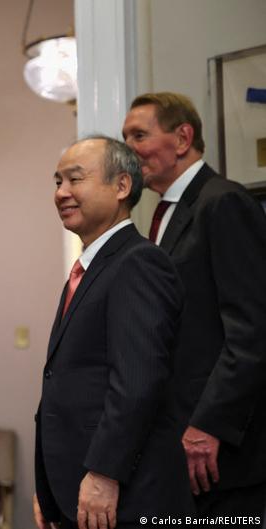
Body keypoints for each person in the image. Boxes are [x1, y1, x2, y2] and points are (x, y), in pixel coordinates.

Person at [33, 136, 192, 529]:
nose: (61, 193)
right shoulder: (89, 268)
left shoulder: (138, 262)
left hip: (123, 493)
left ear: (121, 186)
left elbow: (137, 382)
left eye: (75, 179)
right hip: (74, 485)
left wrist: (105, 472)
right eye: (57, 182)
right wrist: (49, 484)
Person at [122, 92, 266, 516]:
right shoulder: (165, 212)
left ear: (182, 138)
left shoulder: (222, 202)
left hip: (224, 454)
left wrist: (209, 424)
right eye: (125, 138)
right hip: (178, 446)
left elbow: (252, 330)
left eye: (139, 136)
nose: (128, 149)